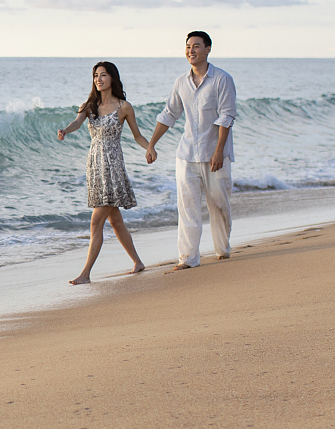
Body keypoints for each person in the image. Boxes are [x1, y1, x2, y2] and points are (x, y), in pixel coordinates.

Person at [144, 30, 237, 270]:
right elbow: (169, 114)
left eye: (196, 46)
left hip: (216, 154)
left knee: (219, 204)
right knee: (187, 207)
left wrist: (218, 151)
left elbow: (227, 116)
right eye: (188, 47)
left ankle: (222, 249)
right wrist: (152, 144)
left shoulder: (222, 79)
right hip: (186, 154)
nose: (191, 51)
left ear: (208, 49)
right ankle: (188, 258)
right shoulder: (181, 82)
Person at [56, 60, 150, 284]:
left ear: (112, 78)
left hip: (113, 166)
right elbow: (77, 122)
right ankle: (138, 262)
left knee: (96, 222)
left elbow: (137, 135)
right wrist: (65, 131)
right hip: (95, 167)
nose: (98, 79)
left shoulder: (124, 107)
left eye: (103, 75)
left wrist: (150, 148)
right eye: (96, 75)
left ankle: (86, 273)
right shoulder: (89, 105)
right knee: (115, 221)